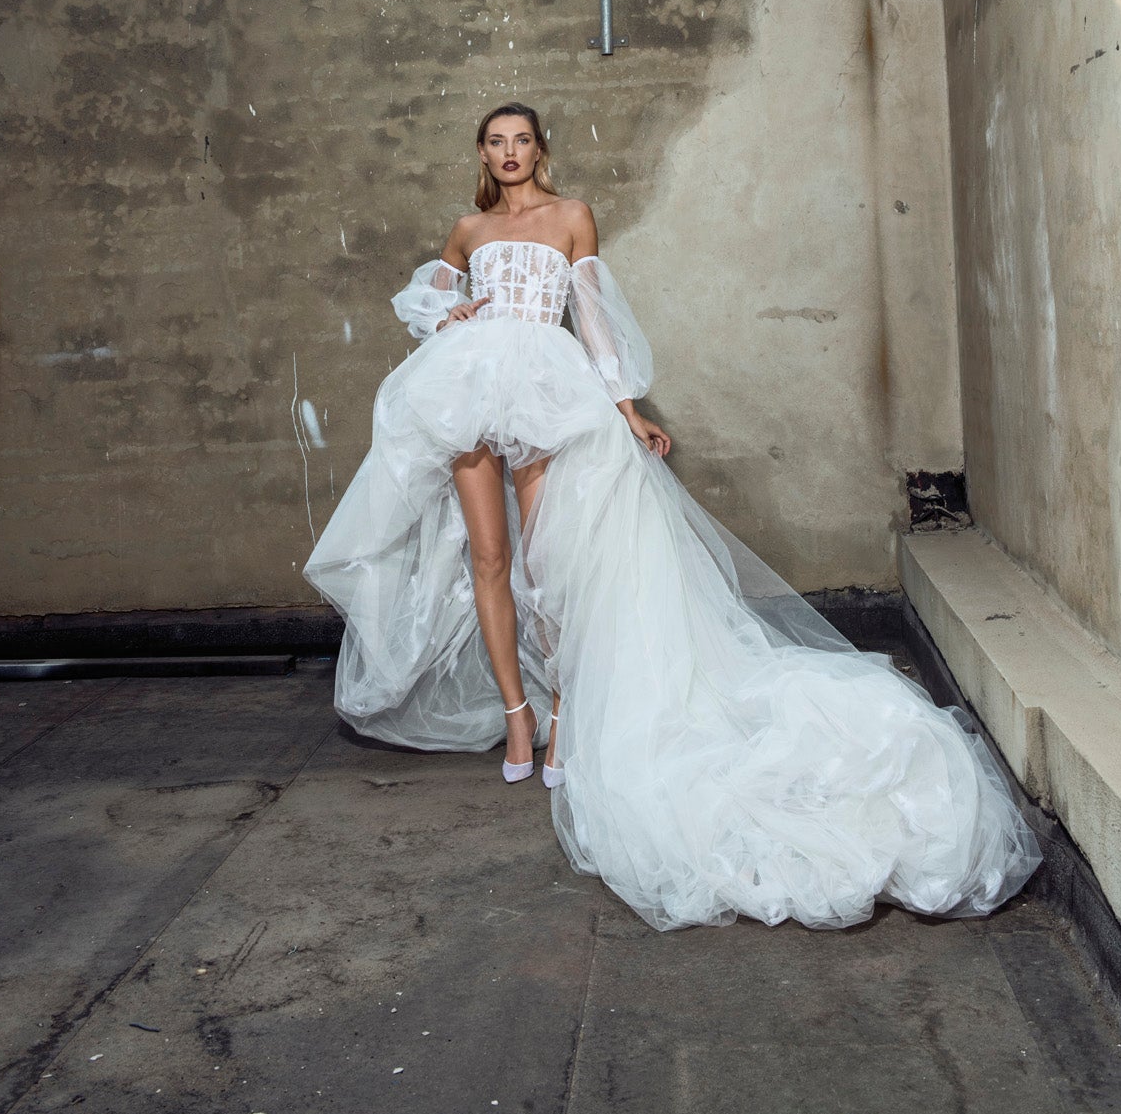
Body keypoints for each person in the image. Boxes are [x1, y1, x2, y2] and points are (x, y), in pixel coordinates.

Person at [304, 103, 1041, 932]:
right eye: (494, 142)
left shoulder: (572, 216)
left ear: (539, 148)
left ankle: (565, 720)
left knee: (550, 565)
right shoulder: (468, 227)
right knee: (488, 560)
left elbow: (593, 319)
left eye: (521, 140)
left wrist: (626, 410)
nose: (509, 153)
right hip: (469, 385)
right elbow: (430, 288)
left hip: (547, 388)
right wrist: (451, 313)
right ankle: (519, 718)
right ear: (482, 152)